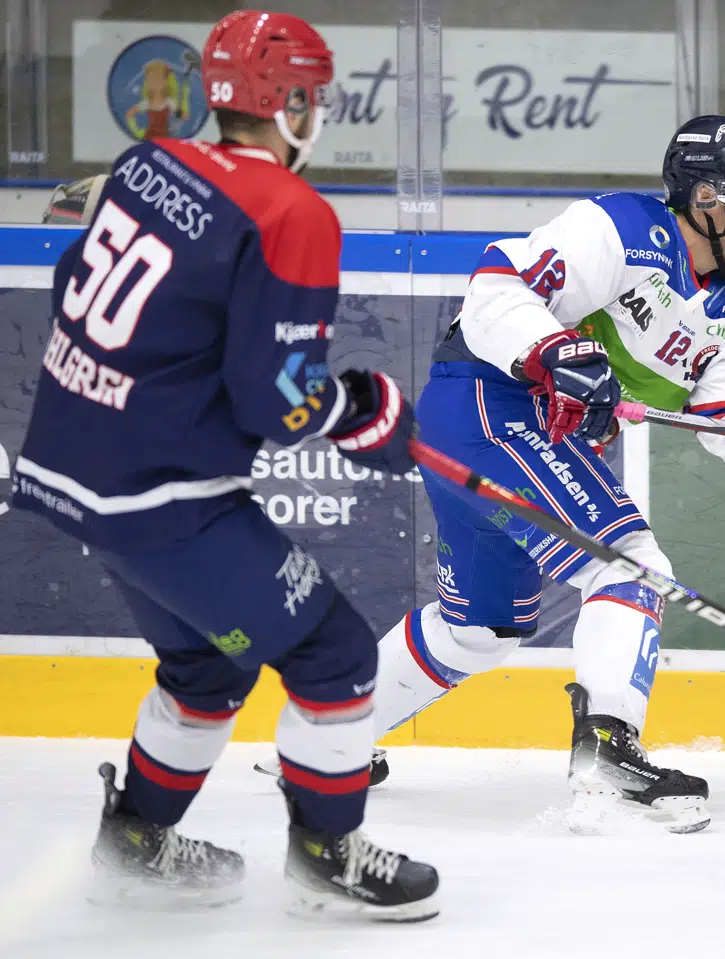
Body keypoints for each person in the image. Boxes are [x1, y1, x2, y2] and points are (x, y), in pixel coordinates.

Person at [9, 10, 439, 918]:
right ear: (285, 104)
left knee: (207, 668)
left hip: (64, 469)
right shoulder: (292, 210)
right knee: (335, 655)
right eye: (310, 95)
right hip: (159, 495)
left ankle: (135, 841)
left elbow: (73, 290)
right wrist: (365, 418)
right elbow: (273, 400)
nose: (316, 110)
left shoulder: (144, 162)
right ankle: (329, 852)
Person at [363, 115, 725, 834]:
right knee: (629, 566)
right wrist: (552, 350)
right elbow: (495, 288)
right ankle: (608, 748)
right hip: (488, 401)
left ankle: (326, 732)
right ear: (709, 196)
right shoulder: (618, 229)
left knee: (478, 629)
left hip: (506, 430)